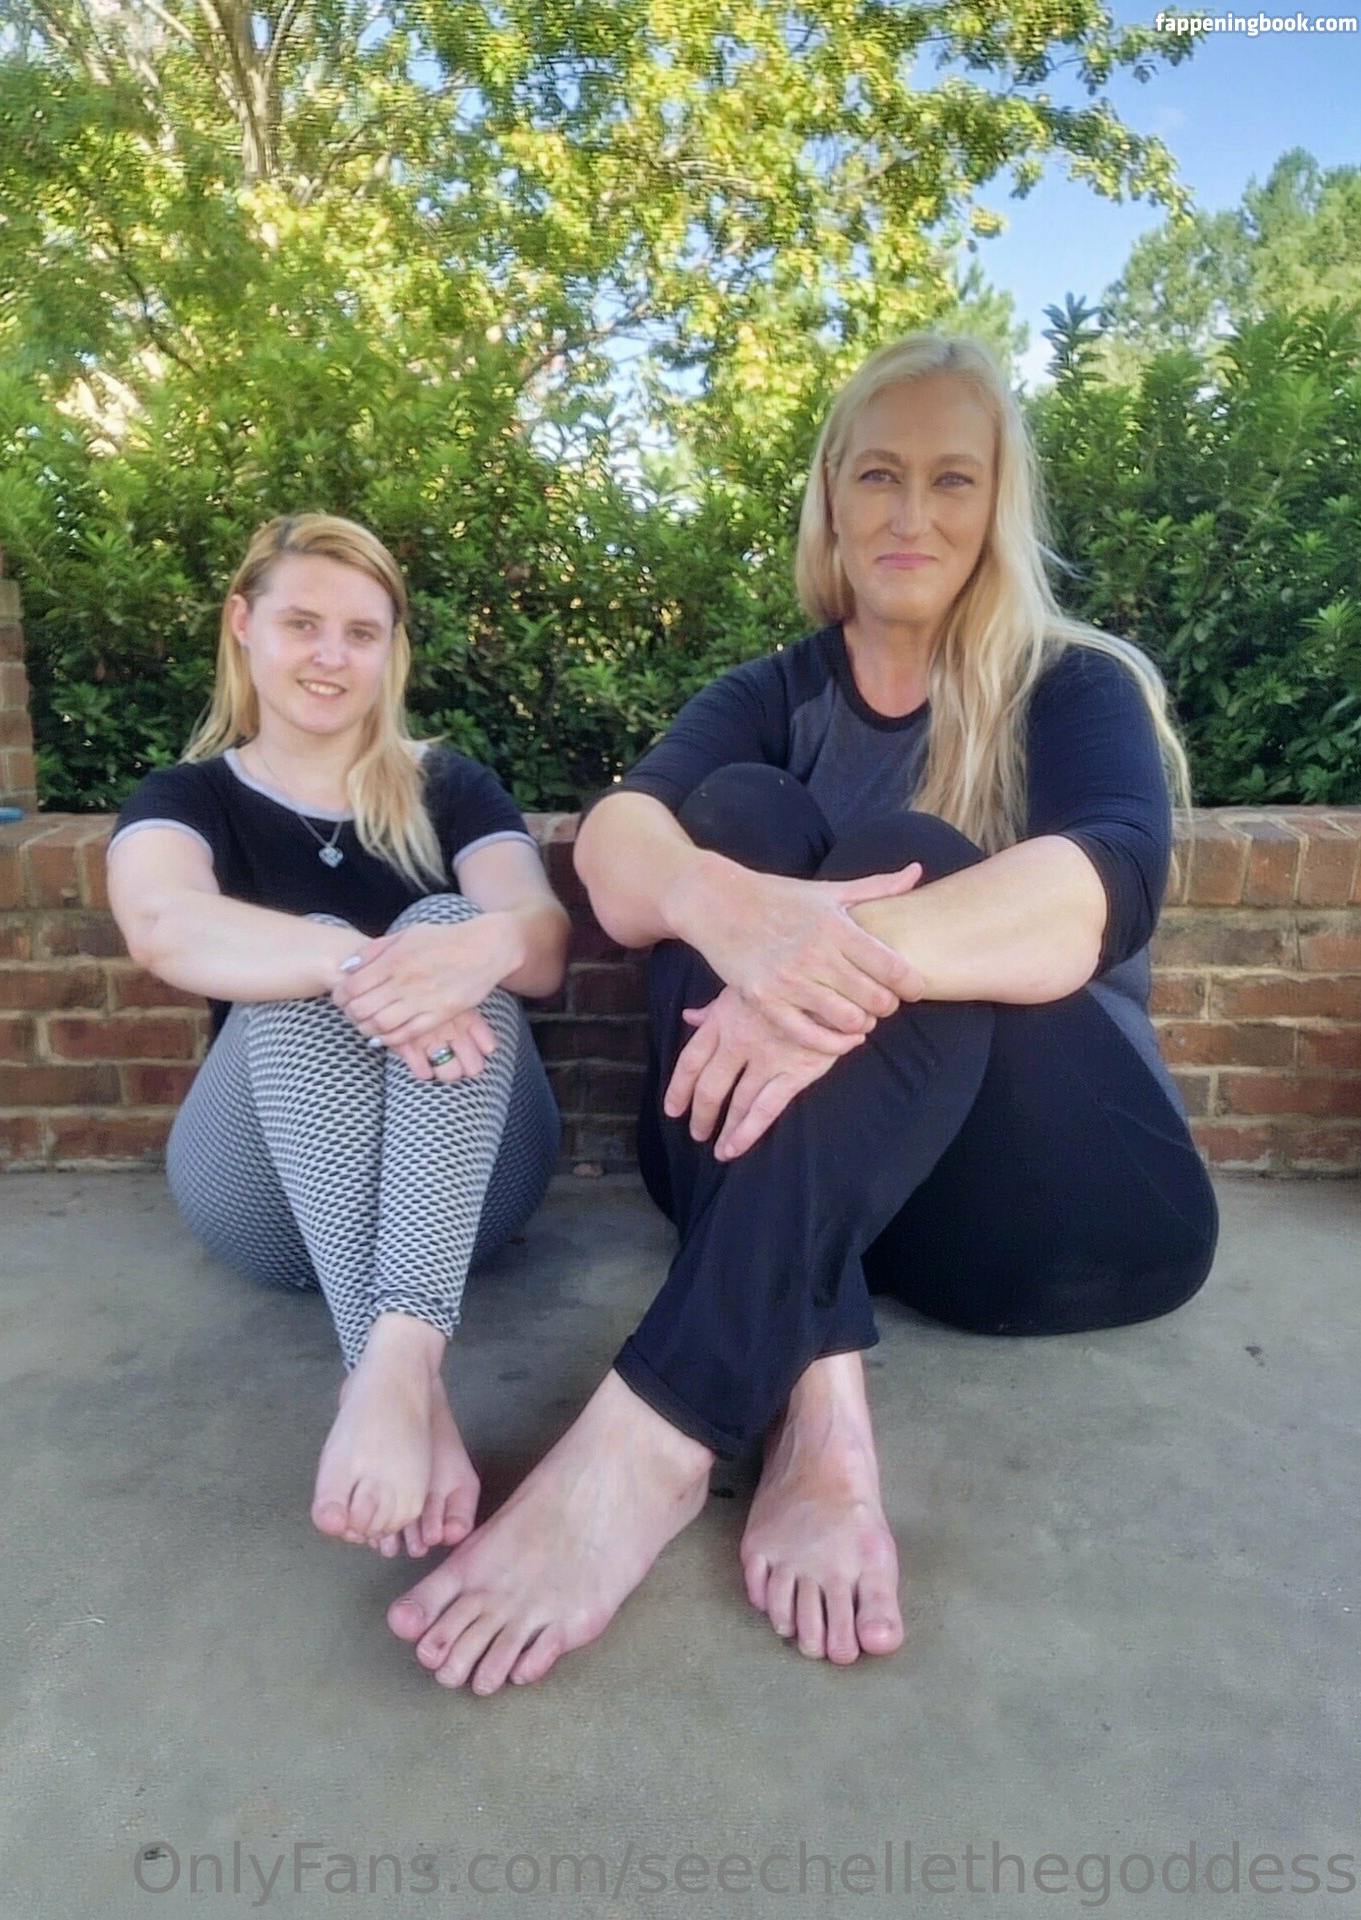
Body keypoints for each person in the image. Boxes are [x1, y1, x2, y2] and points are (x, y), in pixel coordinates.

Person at [385, 333, 1218, 1697]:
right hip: (834, 1201)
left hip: (1066, 1211)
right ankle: (823, 1407)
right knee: (733, 820)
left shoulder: (1074, 687)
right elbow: (618, 847)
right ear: (830, 497)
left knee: (916, 859)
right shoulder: (775, 690)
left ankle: (655, 1434)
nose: (910, 513)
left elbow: (1095, 894)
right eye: (878, 474)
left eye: (952, 479)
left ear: (997, 502)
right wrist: (732, 912)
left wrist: (830, 959)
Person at [107, 513, 568, 1561]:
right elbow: (163, 924)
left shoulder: (450, 786)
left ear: (391, 649)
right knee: (306, 952)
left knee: (457, 924)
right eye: (302, 623)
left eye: (361, 632)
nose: (330, 656)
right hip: (263, 1201)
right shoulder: (189, 797)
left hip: (467, 1192)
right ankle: (404, 1366)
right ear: (243, 623)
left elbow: (541, 944)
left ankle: (391, 1367)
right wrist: (353, 965)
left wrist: (477, 948)